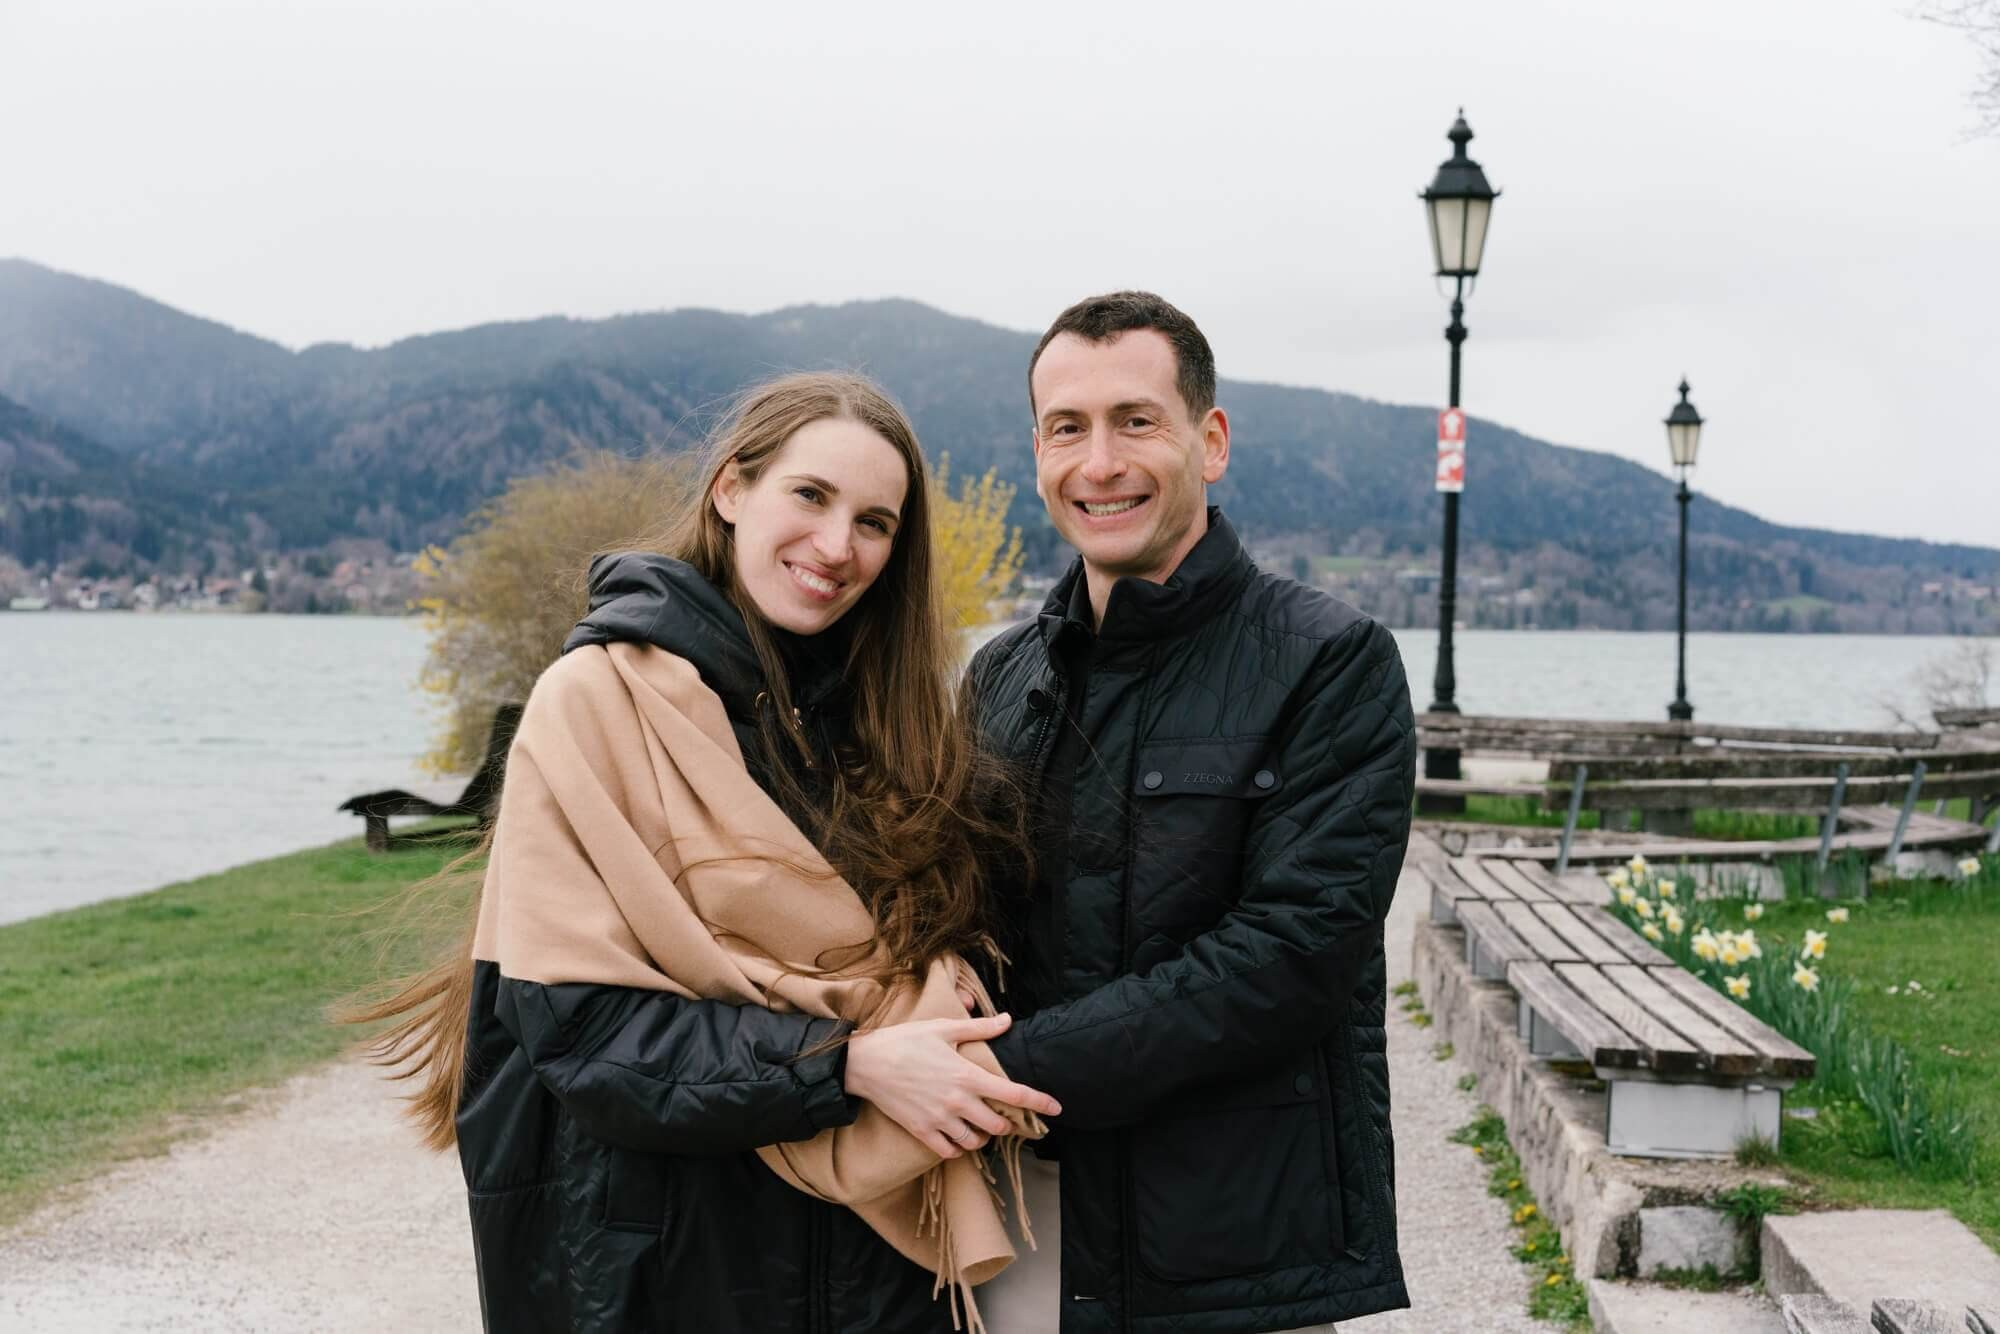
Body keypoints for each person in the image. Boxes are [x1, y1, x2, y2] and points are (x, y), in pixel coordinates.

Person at [349, 370, 1059, 1333]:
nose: (836, 546)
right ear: (732, 490)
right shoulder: (598, 701)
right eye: (810, 496)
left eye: (875, 523)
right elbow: (580, 1029)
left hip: (869, 1266)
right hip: (668, 1252)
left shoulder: (889, 724)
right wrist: (852, 1065)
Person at [964, 293, 1417, 1333]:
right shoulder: (1000, 674)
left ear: (1207, 441)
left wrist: (997, 1068)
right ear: (1035, 451)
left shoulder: (1327, 660)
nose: (1099, 462)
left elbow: (1288, 956)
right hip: (1024, 1223)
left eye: (1135, 420)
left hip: (1233, 1244)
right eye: (1065, 428)